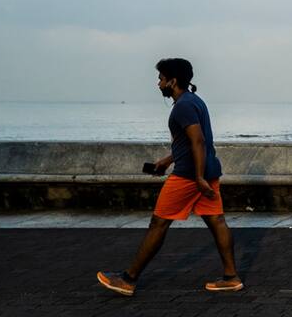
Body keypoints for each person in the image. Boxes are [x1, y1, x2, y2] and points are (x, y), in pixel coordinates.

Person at [96, 58, 241, 297]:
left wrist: (197, 177)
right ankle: (231, 277)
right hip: (208, 170)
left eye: (161, 79)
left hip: (188, 176)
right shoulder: (195, 101)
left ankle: (128, 279)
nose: (158, 84)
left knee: (158, 223)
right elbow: (189, 142)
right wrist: (166, 161)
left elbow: (198, 141)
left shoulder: (183, 106)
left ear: (173, 81)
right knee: (217, 221)